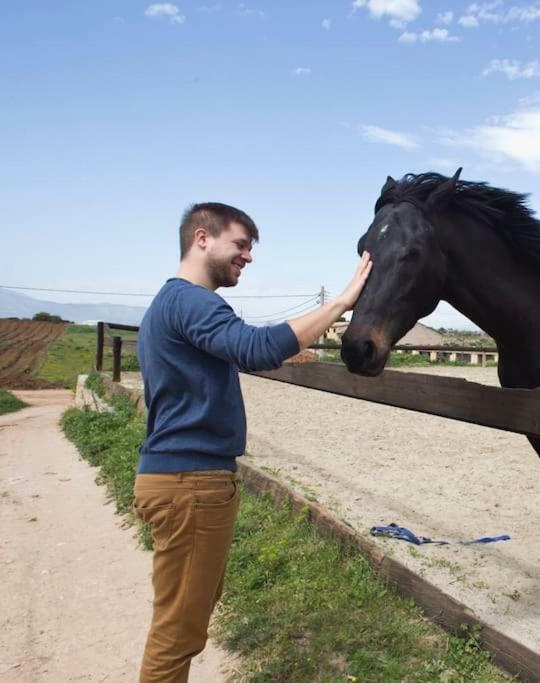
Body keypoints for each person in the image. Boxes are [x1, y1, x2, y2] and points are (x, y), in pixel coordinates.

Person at [132, 202, 372, 682]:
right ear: (202, 238)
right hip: (191, 485)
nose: (248, 257)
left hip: (178, 479)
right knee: (176, 635)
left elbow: (232, 352)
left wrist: (293, 349)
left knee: (186, 617)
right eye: (240, 245)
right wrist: (341, 302)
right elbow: (255, 347)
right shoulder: (193, 301)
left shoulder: (169, 304)